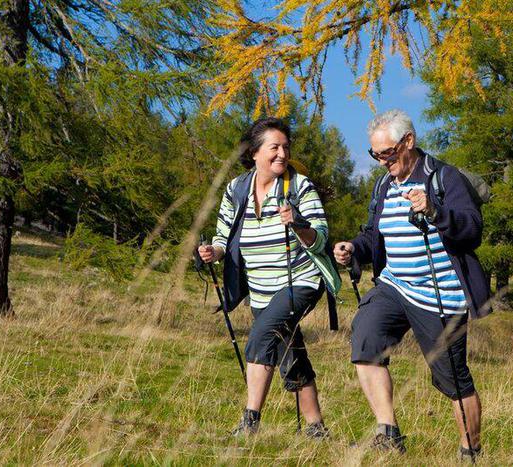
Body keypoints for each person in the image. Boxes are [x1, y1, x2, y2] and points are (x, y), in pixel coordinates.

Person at [334, 109, 490, 461]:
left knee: (451, 377)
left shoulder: (443, 178)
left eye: (387, 153)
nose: (381, 161)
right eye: (375, 155)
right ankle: (388, 433)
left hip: (439, 293)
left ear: (409, 142)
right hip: (394, 286)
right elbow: (373, 234)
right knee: (365, 337)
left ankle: (470, 452)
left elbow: (472, 230)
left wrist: (435, 212)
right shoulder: (384, 185)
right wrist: (353, 248)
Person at [198, 117, 339, 438]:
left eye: (285, 148)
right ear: (254, 152)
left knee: (261, 336)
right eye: (274, 147)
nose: (282, 154)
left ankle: (250, 423)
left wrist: (298, 224)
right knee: (291, 351)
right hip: (260, 291)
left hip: (301, 282)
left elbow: (320, 238)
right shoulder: (237, 189)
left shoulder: (299, 187)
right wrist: (212, 252)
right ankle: (316, 427)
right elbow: (223, 237)